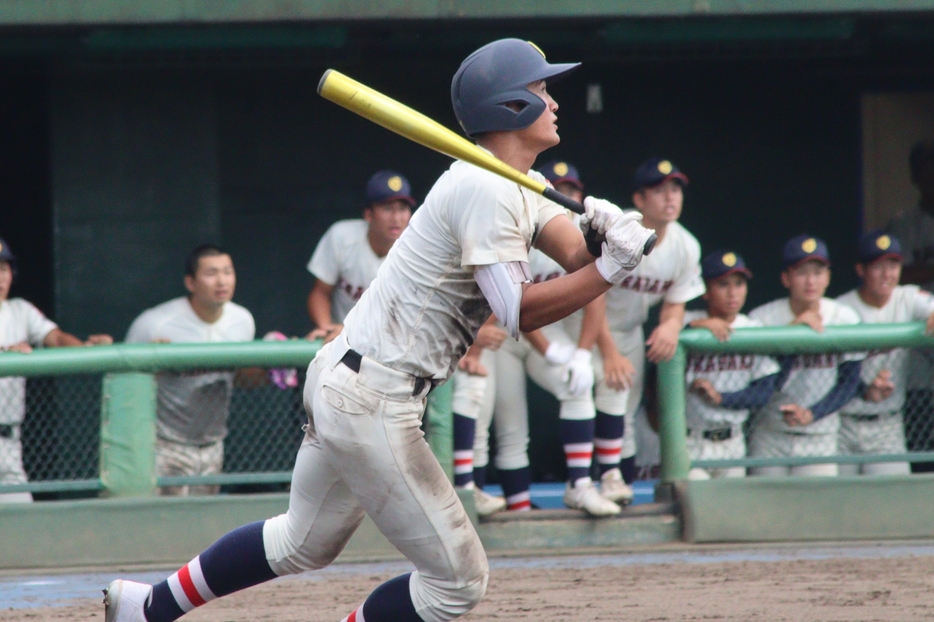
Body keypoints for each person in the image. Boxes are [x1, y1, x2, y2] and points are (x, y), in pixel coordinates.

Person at [103, 38, 655, 622]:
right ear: (511, 106)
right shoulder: (485, 188)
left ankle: (148, 607)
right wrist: (611, 267)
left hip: (350, 378)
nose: (553, 101)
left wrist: (597, 236)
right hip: (374, 395)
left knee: (302, 541)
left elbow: (572, 257)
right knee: (458, 583)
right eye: (541, 90)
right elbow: (518, 311)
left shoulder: (510, 180)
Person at [591, 157, 705, 503]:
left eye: (675, 189)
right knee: (581, 403)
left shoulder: (686, 246)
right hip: (581, 328)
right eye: (659, 191)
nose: (670, 197)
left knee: (624, 413)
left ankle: (616, 489)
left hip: (628, 331)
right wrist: (608, 352)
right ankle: (581, 484)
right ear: (639, 200)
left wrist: (671, 325)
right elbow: (590, 293)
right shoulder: (619, 229)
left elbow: (675, 301)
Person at [124, 244, 255, 496]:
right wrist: (152, 365)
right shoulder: (154, 323)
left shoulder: (242, 320)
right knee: (162, 522)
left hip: (213, 442)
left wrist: (272, 371)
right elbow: (126, 386)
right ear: (190, 282)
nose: (221, 281)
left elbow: (240, 379)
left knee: (201, 521)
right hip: (162, 442)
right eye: (211, 273)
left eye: (228, 272)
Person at [0, 237, 112, 503]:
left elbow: (56, 338)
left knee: (22, 522)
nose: (0, 277)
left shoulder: (20, 311)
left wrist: (85, 348)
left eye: (3, 269)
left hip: (9, 443)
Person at [747, 235, 863, 477]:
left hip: (821, 433)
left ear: (828, 277)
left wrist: (813, 413)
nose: (811, 281)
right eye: (801, 272)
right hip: (771, 433)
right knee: (767, 509)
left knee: (818, 510)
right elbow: (767, 385)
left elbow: (849, 382)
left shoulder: (844, 317)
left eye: (818, 272)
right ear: (786, 278)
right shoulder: (762, 318)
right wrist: (793, 335)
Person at [836, 231, 934, 475]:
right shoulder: (841, 307)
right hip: (843, 423)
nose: (887, 274)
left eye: (893, 265)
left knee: (893, 503)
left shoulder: (908, 298)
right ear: (861, 270)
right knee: (837, 505)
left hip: (887, 423)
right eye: (878, 266)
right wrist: (863, 387)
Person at [685, 250, 780, 480]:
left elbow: (764, 393)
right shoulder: (685, 320)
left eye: (739, 284)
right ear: (706, 290)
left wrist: (721, 398)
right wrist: (696, 326)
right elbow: (656, 364)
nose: (732, 293)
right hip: (690, 438)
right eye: (723, 284)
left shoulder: (753, 329)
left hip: (734, 439)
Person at [306, 171, 415, 343]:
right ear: (368, 214)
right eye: (387, 208)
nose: (396, 218)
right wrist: (325, 328)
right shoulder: (342, 236)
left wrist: (351, 332)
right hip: (339, 337)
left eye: (402, 209)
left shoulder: (416, 253)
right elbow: (320, 293)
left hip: (390, 343)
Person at [887, 141, 934, 470]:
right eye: (926, 168)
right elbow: (898, 273)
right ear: (915, 176)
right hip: (918, 326)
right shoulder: (904, 223)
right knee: (920, 424)